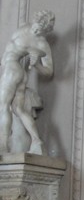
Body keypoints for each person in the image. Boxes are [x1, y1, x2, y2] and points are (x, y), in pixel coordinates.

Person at [0, 10, 55, 155]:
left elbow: (49, 71)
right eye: (36, 26)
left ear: (46, 31)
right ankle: (37, 141)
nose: (36, 31)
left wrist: (36, 64)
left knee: (2, 106)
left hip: (12, 69)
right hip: (17, 72)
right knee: (18, 109)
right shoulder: (24, 26)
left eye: (41, 31)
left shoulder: (42, 44)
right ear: (34, 19)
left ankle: (3, 147)